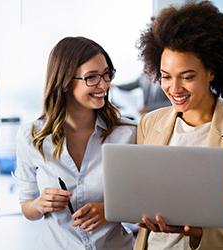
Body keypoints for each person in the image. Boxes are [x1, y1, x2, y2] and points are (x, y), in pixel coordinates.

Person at [134, 1, 223, 250]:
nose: (174, 89)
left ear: (212, 71)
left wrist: (198, 234)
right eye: (166, 77)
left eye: (187, 77)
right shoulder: (149, 123)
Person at [13, 36, 135, 250]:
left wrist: (110, 211)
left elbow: (146, 201)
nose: (104, 84)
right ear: (66, 81)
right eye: (92, 77)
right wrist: (39, 205)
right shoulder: (32, 136)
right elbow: (27, 206)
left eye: (107, 74)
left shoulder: (127, 134)